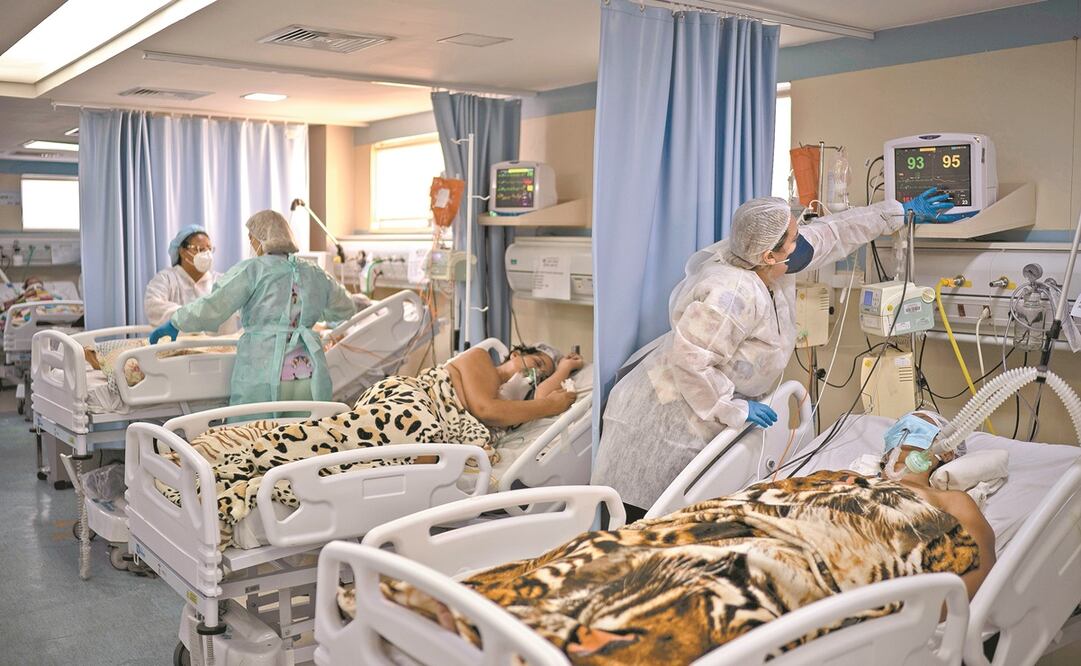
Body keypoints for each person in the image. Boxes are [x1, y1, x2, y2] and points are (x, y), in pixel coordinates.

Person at [594, 188, 959, 517]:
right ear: (769, 254)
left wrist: (898, 212)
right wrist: (732, 407)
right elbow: (691, 361)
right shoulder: (731, 293)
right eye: (794, 237)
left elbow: (832, 233)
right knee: (643, 519)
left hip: (698, 407)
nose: (803, 240)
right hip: (662, 422)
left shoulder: (768, 261)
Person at [149, 210, 356, 404]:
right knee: (301, 435)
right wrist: (314, 315)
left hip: (265, 372)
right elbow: (345, 307)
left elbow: (213, 306)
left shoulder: (252, 271)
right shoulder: (314, 273)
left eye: (251, 239)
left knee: (256, 435)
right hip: (309, 373)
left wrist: (177, 322)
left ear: (262, 239)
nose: (251, 243)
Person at [144, 225, 239, 335]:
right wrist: (192, 317)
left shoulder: (222, 280)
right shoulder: (166, 279)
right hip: (175, 348)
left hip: (218, 349)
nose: (207, 254)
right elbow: (154, 307)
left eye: (209, 249)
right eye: (200, 249)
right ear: (182, 252)